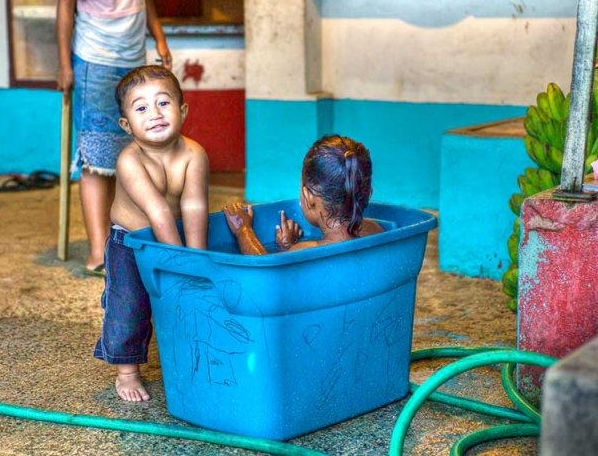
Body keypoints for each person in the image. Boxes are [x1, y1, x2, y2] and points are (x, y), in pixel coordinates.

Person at [55, 0, 172, 277]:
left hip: (134, 55)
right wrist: (65, 65)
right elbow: (65, 6)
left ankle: (130, 242)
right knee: (97, 159)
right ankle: (98, 251)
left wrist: (158, 36)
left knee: (135, 152)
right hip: (94, 60)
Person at [95, 65, 209, 402]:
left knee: (189, 297)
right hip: (130, 243)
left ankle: (192, 354)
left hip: (171, 238)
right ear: (127, 125)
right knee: (129, 305)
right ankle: (127, 371)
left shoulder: (194, 154)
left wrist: (197, 260)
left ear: (183, 110)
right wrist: (179, 264)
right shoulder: (130, 160)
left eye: (163, 103)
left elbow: (194, 207)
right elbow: (157, 212)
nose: (155, 114)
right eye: (141, 108)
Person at [223, 135, 384, 254]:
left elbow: (267, 272)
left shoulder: (305, 252)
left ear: (308, 197)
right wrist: (287, 246)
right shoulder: (375, 230)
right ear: (366, 194)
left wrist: (243, 231)